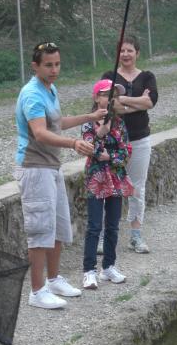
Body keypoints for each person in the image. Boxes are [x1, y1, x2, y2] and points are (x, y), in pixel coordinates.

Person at [14, 41, 107, 309]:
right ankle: (37, 290)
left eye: (57, 64)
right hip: (34, 167)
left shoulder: (50, 88)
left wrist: (90, 116)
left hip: (51, 166)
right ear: (35, 66)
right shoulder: (31, 94)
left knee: (57, 225)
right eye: (48, 65)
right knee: (40, 229)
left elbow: (57, 122)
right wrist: (73, 144)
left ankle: (53, 280)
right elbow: (41, 133)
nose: (54, 69)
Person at [102, 35, 158, 254]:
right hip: (114, 140)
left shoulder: (147, 76)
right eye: (122, 51)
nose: (125, 55)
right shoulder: (109, 77)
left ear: (137, 53)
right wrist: (136, 103)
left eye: (130, 50)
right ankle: (105, 236)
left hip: (139, 139)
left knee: (137, 188)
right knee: (109, 186)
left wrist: (124, 101)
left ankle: (135, 235)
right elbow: (109, 104)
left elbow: (151, 102)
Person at [82, 79, 134, 290]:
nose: (110, 99)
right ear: (96, 98)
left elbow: (126, 151)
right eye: (106, 94)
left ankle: (109, 266)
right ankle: (89, 271)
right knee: (95, 226)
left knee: (112, 225)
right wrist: (100, 134)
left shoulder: (119, 123)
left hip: (116, 179)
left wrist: (108, 156)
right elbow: (87, 148)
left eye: (114, 95)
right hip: (96, 180)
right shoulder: (88, 123)